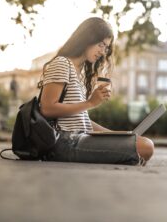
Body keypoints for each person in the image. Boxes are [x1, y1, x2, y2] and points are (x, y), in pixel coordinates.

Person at [38, 17, 154, 166]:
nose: (103, 51)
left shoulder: (78, 72)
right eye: (100, 44)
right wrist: (90, 103)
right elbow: (47, 109)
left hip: (78, 138)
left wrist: (116, 135)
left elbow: (81, 120)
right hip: (63, 142)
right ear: (86, 39)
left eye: (106, 47)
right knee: (145, 146)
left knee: (140, 142)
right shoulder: (62, 63)